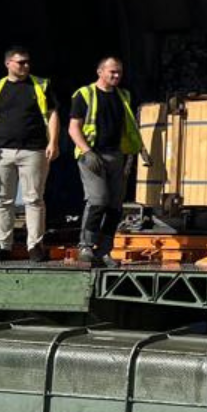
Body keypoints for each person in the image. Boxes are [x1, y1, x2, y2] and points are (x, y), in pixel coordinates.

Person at [68, 56, 146, 269]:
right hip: (92, 155)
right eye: (112, 72)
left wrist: (137, 148)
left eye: (119, 72)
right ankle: (86, 245)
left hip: (115, 155)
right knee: (98, 199)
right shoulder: (84, 94)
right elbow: (74, 127)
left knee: (114, 205)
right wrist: (87, 151)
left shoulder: (123, 95)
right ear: (100, 71)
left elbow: (129, 126)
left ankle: (104, 251)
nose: (116, 76)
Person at [0, 45, 57, 263]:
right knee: (2, 199)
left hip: (34, 149)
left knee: (33, 198)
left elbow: (52, 114)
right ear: (8, 64)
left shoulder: (41, 85)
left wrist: (52, 141)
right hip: (1, 150)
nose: (25, 65)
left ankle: (34, 246)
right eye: (20, 62)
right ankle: (3, 245)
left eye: (27, 62)